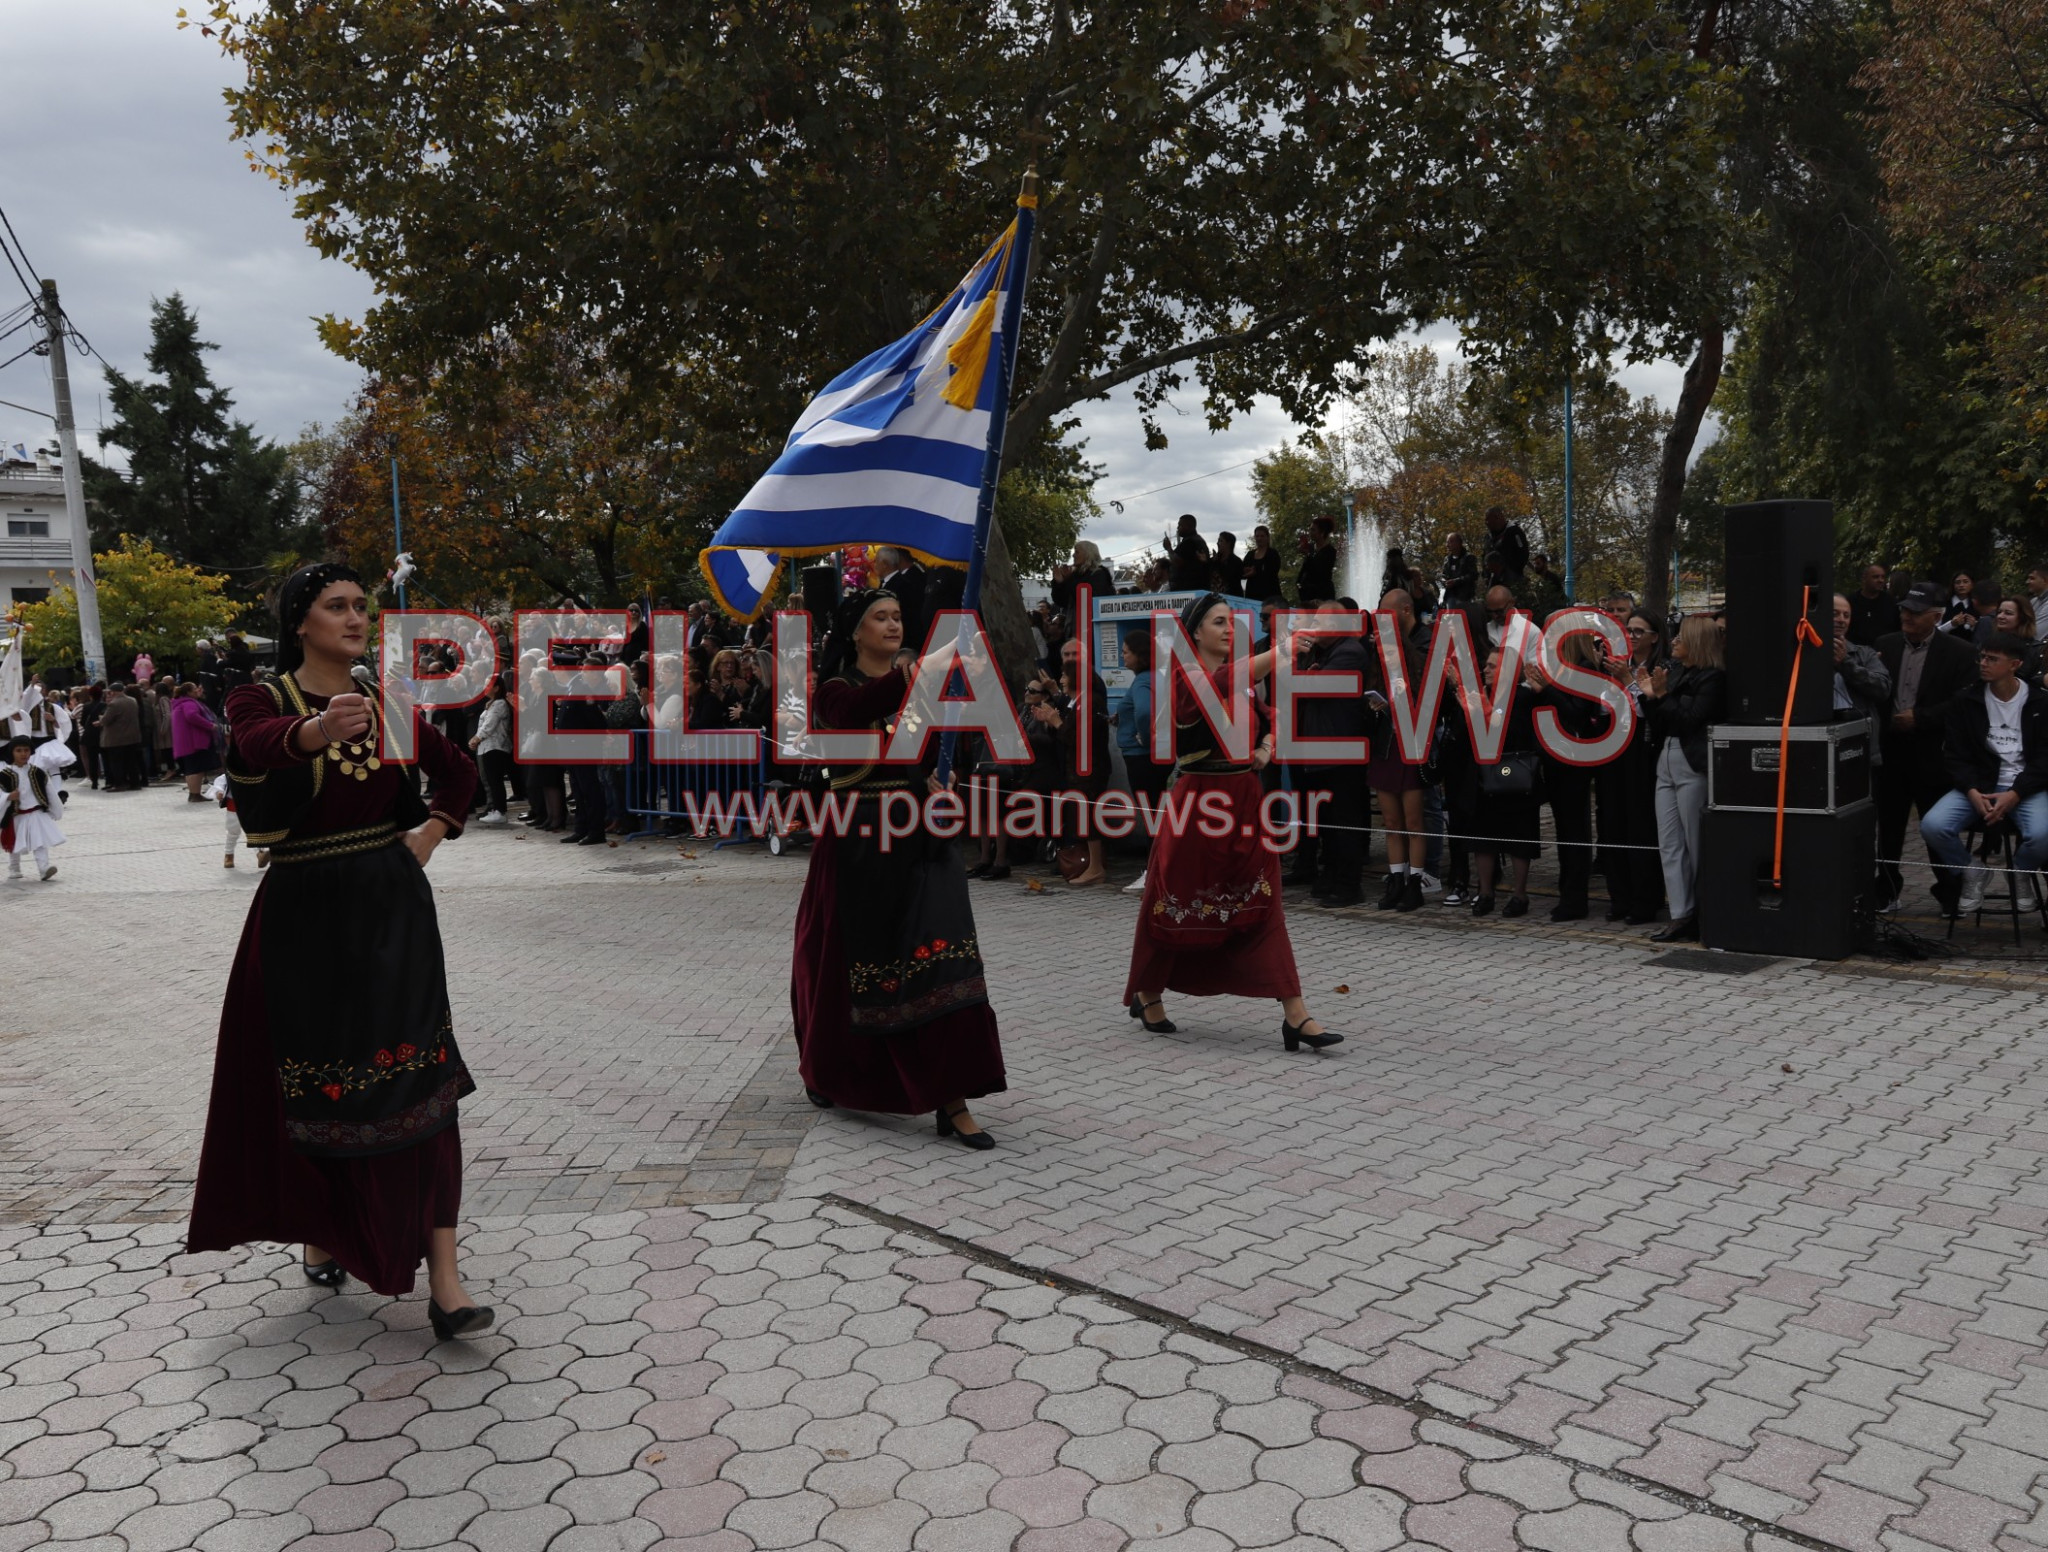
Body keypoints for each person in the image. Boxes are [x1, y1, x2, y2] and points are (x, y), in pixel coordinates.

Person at [187, 563, 493, 1337]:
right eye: (336, 606)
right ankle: (325, 1229)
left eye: (362, 605)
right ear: (300, 622)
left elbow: (458, 772)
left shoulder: (391, 706)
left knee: (420, 1081)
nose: (355, 617)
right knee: (319, 1089)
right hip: (302, 917)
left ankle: (447, 1281)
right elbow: (257, 747)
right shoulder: (259, 698)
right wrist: (319, 730)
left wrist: (427, 834)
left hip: (393, 913)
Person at [792, 588, 1006, 1146]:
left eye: (896, 616)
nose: (892, 625)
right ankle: (829, 1070)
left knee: (943, 963)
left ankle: (951, 1097)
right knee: (843, 972)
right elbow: (853, 717)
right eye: (879, 618)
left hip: (921, 841)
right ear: (855, 632)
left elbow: (916, 759)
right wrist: (928, 665)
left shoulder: (919, 695)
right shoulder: (834, 693)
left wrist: (938, 780)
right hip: (859, 847)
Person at [1123, 593, 1343, 1051]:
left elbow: (1272, 716)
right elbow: (1219, 683)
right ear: (1195, 631)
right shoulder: (1184, 679)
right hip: (1199, 805)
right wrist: (1281, 651)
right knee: (1172, 901)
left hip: (1244, 800)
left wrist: (1265, 747)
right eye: (1219, 622)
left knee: (1265, 904)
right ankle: (1146, 992)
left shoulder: (1241, 679)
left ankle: (1296, 1015)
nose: (1228, 630)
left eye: (1231, 622)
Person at [1920, 632, 2048, 915]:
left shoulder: (2039, 702)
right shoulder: (1966, 700)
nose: (1983, 663)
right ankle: (1971, 871)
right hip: (1978, 786)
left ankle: (2019, 872)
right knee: (1932, 825)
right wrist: (1971, 791)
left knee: (2043, 834)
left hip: (2024, 788)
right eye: (1982, 657)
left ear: (2014, 664)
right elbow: (1955, 754)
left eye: (1992, 659)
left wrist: (2015, 793)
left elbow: (2043, 760)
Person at [1875, 581, 1979, 910]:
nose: (1907, 616)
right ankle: (1887, 890)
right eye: (1905, 609)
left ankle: (1950, 892)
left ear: (1935, 617)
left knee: (1934, 827)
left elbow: (1964, 702)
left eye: (1916, 612)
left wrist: (1921, 717)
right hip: (1890, 751)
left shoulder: (1959, 652)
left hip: (1933, 752)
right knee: (1888, 827)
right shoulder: (1885, 645)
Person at [1639, 614, 1727, 942]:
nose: (1674, 642)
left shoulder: (1714, 679)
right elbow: (1662, 720)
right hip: (1667, 758)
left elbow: (1690, 719)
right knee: (1670, 842)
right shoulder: (1677, 673)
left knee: (1695, 843)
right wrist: (1651, 695)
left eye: (1680, 637)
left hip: (1693, 762)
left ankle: (1704, 913)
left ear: (1697, 642)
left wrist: (1662, 696)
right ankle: (1680, 913)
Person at [1597, 611, 1666, 925]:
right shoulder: (1611, 665)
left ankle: (1644, 900)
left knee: (1640, 825)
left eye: (1639, 631)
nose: (1633, 636)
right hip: (1611, 750)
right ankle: (1619, 897)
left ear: (1655, 636)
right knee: (1611, 822)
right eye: (1629, 631)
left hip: (1643, 753)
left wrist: (1627, 681)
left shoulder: (1661, 669)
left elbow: (1647, 711)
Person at [1464, 648, 1544, 917]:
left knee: (1520, 838)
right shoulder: (1480, 697)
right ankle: (1485, 892)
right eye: (1485, 665)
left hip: (1516, 776)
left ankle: (1519, 896)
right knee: (1483, 839)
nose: (1485, 670)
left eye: (1492, 666)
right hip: (1485, 778)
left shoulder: (1523, 697)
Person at [1367, 590, 1429, 911]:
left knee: (1414, 821)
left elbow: (1425, 702)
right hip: (1386, 748)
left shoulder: (1417, 663)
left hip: (1410, 747)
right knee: (1392, 822)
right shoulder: (1375, 666)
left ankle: (1416, 883)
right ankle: (1397, 880)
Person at [1831, 593, 1893, 742]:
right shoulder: (1802, 655)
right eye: (1835, 614)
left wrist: (1845, 663)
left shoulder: (1864, 653)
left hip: (1860, 742)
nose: (1841, 620)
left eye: (1846, 615)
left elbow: (1883, 689)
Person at [2, 734, 63, 881]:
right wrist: (8, 797)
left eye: (26, 750)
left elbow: (50, 792)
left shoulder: (38, 772)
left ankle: (44, 868)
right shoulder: (4, 775)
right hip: (16, 814)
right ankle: (14, 867)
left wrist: (55, 810)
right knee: (15, 843)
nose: (23, 754)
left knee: (39, 841)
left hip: (36, 812)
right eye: (19, 750)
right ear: (12, 753)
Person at [470, 672, 515, 824]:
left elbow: (490, 724)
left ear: (496, 688)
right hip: (486, 747)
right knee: (489, 780)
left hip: (495, 747)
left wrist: (477, 738)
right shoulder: (491, 703)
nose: (485, 688)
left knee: (495, 780)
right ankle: (494, 808)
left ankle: (500, 811)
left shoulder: (500, 704)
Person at [171, 682, 224, 800]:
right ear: (189, 692)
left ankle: (193, 794)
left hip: (185, 742)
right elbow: (191, 716)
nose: (197, 690)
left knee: (191, 768)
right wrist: (210, 725)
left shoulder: (180, 703)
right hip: (194, 742)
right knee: (196, 768)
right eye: (195, 688)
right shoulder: (189, 703)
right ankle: (195, 794)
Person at [98, 678, 144, 791]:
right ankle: (135, 783)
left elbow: (106, 720)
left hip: (116, 738)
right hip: (132, 737)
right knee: (131, 762)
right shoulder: (133, 700)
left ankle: (120, 784)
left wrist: (100, 720)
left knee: (116, 763)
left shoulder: (114, 704)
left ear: (113, 692)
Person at [1848, 563, 1901, 647]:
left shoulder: (1891, 602)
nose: (1881, 580)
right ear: (1864, 578)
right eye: (1875, 577)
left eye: (1883, 577)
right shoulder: (1851, 602)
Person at [1481, 505, 1530, 587]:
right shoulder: (1488, 537)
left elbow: (1523, 554)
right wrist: (1486, 575)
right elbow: (1484, 556)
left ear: (1497, 517)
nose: (1486, 522)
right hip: (1493, 582)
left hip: (1512, 580)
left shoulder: (1514, 531)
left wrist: (1507, 569)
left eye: (1487, 519)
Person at [1294, 517, 1338, 606]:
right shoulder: (1311, 548)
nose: (1310, 533)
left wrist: (1308, 554)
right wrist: (1298, 583)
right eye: (1310, 530)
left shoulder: (1330, 551)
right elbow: (1305, 569)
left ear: (1322, 533)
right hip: (1307, 595)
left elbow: (1321, 571)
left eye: (1313, 530)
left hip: (1322, 596)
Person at [1166, 514, 1212, 592]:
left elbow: (1178, 562)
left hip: (1189, 590)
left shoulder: (1190, 542)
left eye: (1180, 525)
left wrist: (1169, 548)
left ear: (1189, 526)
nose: (1177, 528)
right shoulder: (1197, 540)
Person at [1242, 524, 1281, 601]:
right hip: (1252, 595)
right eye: (1257, 536)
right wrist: (1246, 571)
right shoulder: (1250, 554)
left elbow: (1272, 572)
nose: (1259, 538)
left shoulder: (1273, 554)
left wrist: (1256, 572)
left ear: (1267, 538)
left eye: (1262, 536)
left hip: (1270, 595)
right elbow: (1242, 570)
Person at [1440, 533, 1479, 606]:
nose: (1447, 545)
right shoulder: (1447, 560)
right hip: (1450, 597)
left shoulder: (1469, 558)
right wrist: (1444, 581)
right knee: (1452, 617)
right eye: (1447, 542)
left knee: (1464, 616)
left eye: (1450, 541)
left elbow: (1473, 575)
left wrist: (1456, 581)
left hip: (1465, 596)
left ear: (1459, 543)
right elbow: (1443, 575)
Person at [2026, 562, 2048, 641]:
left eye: (2032, 578)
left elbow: (2035, 634)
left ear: (2045, 580)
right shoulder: (2034, 601)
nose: (2027, 582)